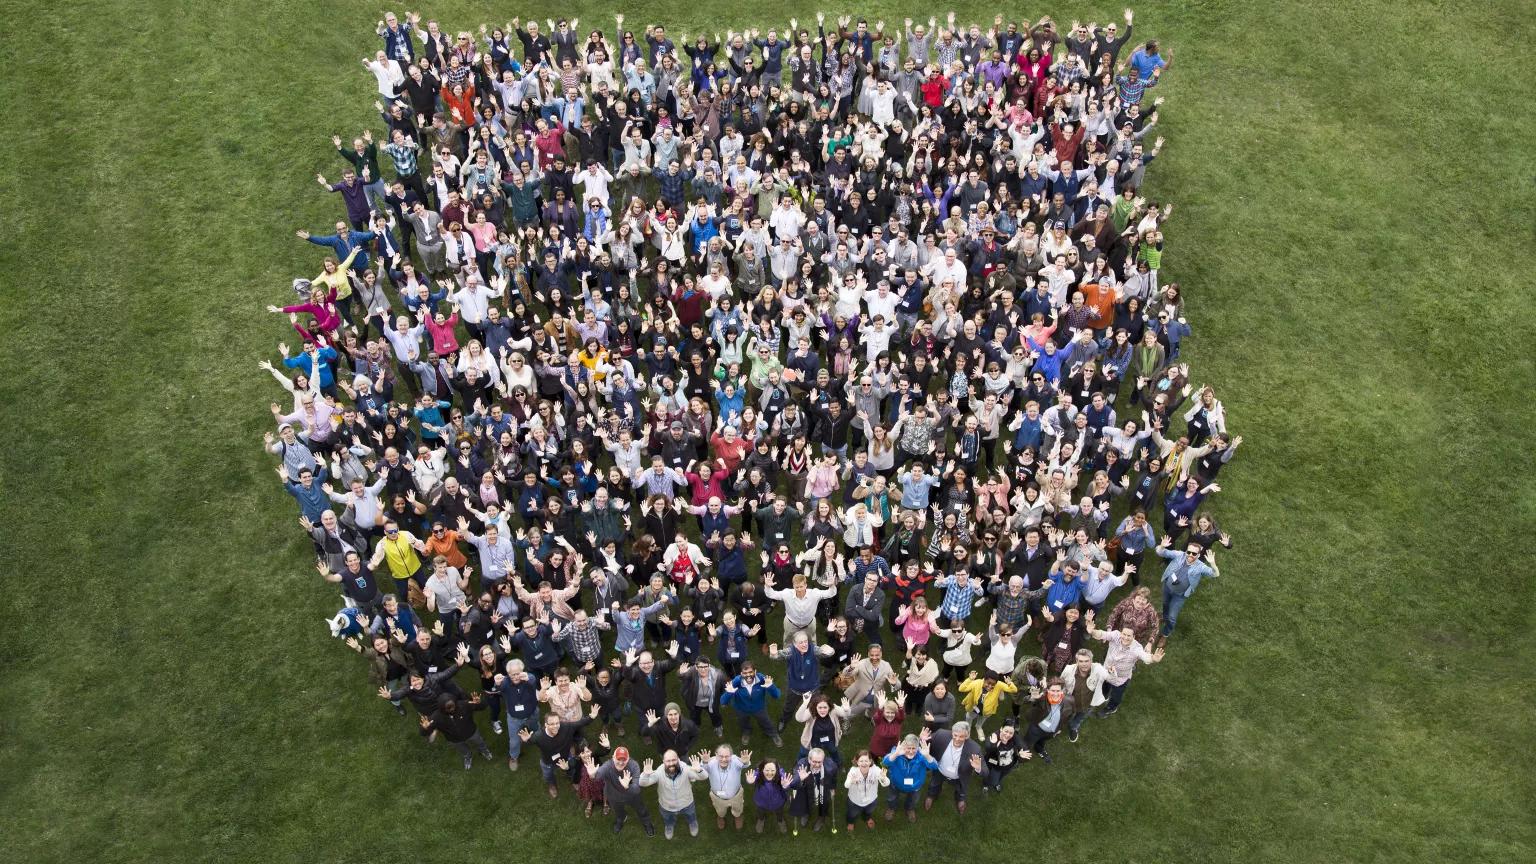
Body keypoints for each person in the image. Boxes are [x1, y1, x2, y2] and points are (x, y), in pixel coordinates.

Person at [638, 749, 708, 839]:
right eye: (668, 761)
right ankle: (669, 826)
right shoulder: (659, 772)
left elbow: (704, 777)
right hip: (667, 806)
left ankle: (692, 823)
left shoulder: (686, 769)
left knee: (691, 815)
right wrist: (645, 775)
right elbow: (642, 783)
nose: (671, 763)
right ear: (663, 761)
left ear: (678, 759)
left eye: (673, 760)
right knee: (668, 819)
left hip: (687, 803)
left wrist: (699, 770)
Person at [418, 694, 494, 769]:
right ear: (442, 708)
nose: (451, 709)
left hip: (472, 733)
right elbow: (423, 733)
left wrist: (479, 702)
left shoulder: (464, 705)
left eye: (452, 706)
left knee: (480, 743)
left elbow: (483, 707)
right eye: (448, 708)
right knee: (463, 750)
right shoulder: (436, 717)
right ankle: (468, 757)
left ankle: (484, 751)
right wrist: (425, 728)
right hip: (455, 740)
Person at [924, 720, 985, 813]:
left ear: (967, 735)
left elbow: (985, 771)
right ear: (952, 733)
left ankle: (960, 800)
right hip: (939, 770)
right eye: (955, 735)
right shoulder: (941, 735)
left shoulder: (975, 749)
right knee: (934, 784)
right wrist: (923, 739)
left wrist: (978, 768)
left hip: (959, 776)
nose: (957, 739)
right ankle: (931, 796)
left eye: (961, 736)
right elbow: (925, 743)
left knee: (961, 789)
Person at [596, 746, 656, 835]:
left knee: (641, 809)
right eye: (618, 759)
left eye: (624, 759)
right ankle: (621, 818)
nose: (621, 762)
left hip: (632, 795)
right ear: (613, 758)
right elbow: (597, 777)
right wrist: (592, 775)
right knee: (618, 811)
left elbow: (636, 789)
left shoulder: (634, 765)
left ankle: (646, 821)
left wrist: (627, 787)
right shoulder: (608, 765)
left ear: (628, 759)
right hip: (614, 796)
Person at [842, 750, 890, 831]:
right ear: (857, 762)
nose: (864, 763)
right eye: (861, 761)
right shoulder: (853, 771)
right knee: (851, 814)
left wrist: (883, 778)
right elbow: (846, 785)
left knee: (868, 812)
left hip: (871, 800)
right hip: (854, 801)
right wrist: (851, 781)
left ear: (870, 761)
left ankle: (867, 818)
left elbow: (886, 784)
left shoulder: (876, 770)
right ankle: (851, 822)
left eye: (866, 761)